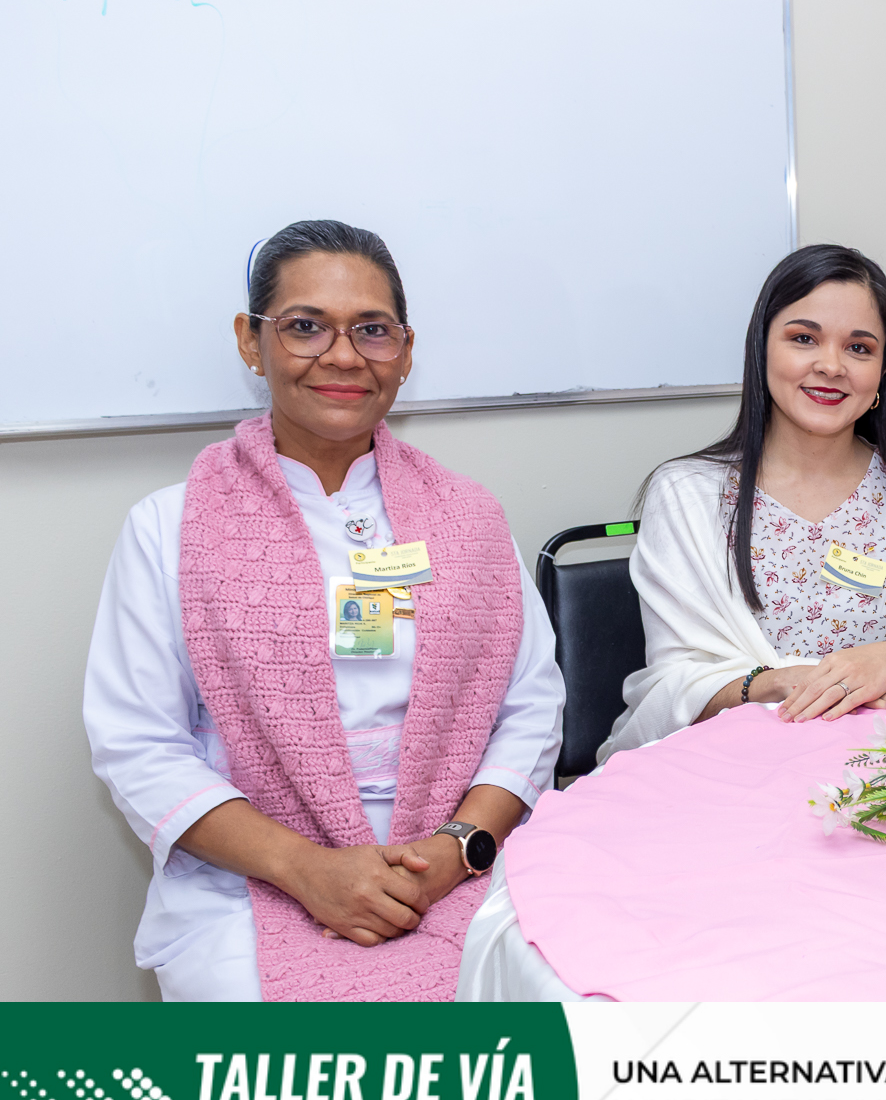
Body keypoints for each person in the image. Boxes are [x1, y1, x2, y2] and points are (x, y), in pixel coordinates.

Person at [84, 219, 563, 1002]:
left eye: (372, 330)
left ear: (405, 351)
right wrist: (306, 869)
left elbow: (532, 706)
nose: (343, 356)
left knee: (563, 1004)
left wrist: (457, 849)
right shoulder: (169, 528)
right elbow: (138, 745)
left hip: (461, 858)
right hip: (251, 880)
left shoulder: (470, 518)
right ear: (252, 342)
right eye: (306, 326)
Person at [600, 244, 886, 757]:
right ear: (762, 350)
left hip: (883, 768)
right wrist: (777, 682)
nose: (831, 365)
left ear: (883, 370)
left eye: (859, 348)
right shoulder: (688, 496)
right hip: (729, 766)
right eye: (803, 338)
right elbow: (672, 683)